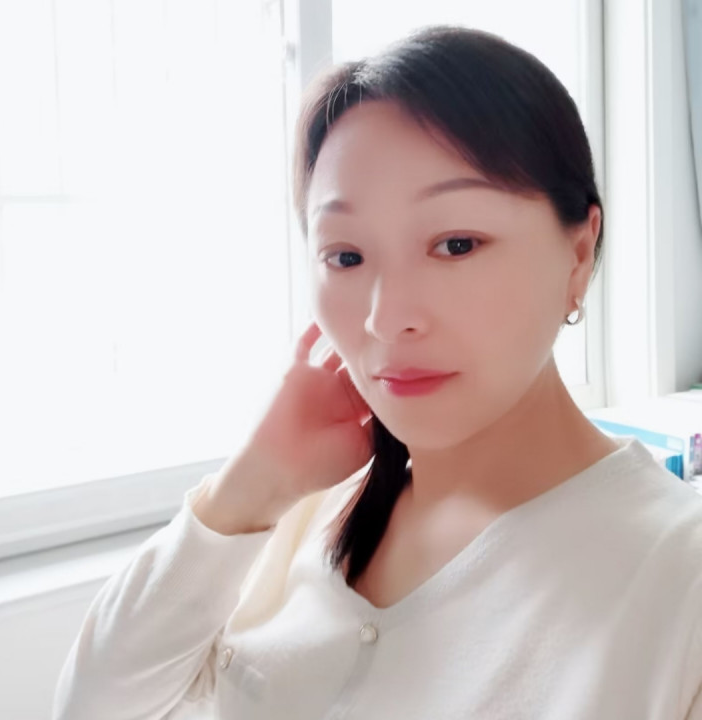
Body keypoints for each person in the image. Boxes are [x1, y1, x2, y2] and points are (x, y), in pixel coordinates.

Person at [53, 25, 702, 720]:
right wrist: (249, 487)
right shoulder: (301, 511)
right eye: (346, 257)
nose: (387, 318)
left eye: (456, 244)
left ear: (578, 254)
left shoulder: (676, 580)